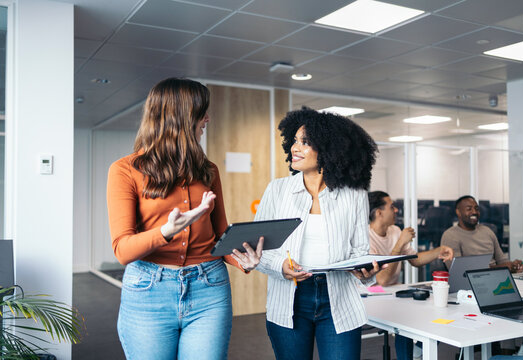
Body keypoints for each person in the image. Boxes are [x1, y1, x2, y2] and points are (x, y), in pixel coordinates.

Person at [107, 78, 263, 360]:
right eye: (202, 112)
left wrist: (243, 260)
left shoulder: (208, 170)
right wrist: (165, 231)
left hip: (209, 289)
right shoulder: (124, 170)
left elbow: (219, 238)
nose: (208, 119)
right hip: (148, 291)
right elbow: (122, 250)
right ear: (181, 117)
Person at [254, 107, 382, 360]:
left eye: (305, 142)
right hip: (289, 298)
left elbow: (359, 250)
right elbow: (258, 249)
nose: (294, 148)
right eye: (294, 140)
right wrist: (280, 266)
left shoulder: (354, 195)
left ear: (328, 150)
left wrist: (364, 270)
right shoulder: (277, 190)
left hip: (339, 299)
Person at [368, 191, 454, 360]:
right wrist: (400, 242)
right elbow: (382, 279)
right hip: (371, 294)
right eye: (392, 207)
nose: (396, 211)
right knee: (405, 316)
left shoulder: (394, 230)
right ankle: (411, 355)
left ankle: (417, 351)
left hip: (393, 293)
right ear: (379, 213)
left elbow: (415, 260)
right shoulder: (366, 237)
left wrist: (439, 250)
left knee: (436, 309)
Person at [441, 195, 523, 273]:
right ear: (458, 212)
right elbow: (459, 271)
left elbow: (502, 260)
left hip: (497, 277)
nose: (474, 212)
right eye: (469, 209)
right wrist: (502, 268)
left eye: (477, 209)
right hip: (470, 284)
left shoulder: (487, 231)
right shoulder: (450, 235)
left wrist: (513, 267)